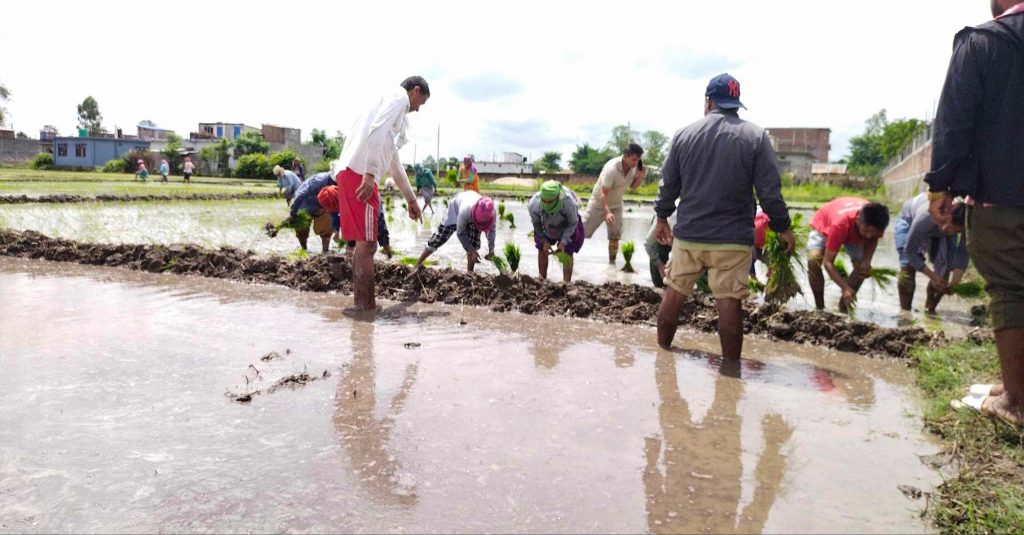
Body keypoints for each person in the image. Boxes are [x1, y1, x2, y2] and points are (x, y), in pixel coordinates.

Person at [925, 0, 1024, 426]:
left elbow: (954, 121)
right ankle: (1015, 382)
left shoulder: (984, 41)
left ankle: (1016, 402)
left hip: (1003, 194)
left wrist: (941, 185)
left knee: (1011, 291)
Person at [654, 73, 795, 358]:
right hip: (732, 239)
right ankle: (731, 373)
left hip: (689, 235)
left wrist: (661, 216)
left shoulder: (684, 135)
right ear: (736, 104)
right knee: (729, 302)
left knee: (675, 292)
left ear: (708, 102)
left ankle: (663, 356)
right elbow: (769, 192)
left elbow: (669, 184)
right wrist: (782, 227)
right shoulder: (755, 136)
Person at [332, 76, 426, 310]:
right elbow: (377, 131)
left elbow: (392, 160)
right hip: (360, 173)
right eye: (420, 103)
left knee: (364, 244)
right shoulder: (398, 98)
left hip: (351, 170)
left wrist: (411, 199)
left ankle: (362, 305)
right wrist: (370, 174)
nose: (416, 110)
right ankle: (366, 308)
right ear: (415, 91)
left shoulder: (384, 103)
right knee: (368, 245)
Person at [806, 197, 890, 312]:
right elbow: (827, 262)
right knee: (813, 261)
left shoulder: (876, 221)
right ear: (858, 219)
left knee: (862, 269)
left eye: (873, 233)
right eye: (867, 230)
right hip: (826, 225)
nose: (869, 236)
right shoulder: (840, 224)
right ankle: (820, 308)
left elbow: (873, 239)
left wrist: (867, 260)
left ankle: (843, 309)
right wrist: (845, 287)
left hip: (855, 234)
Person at [894, 193, 968, 313]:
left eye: (952, 229)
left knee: (944, 271)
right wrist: (932, 276)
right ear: (947, 214)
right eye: (945, 223)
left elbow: (963, 251)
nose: (944, 228)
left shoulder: (968, 224)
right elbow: (910, 251)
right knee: (908, 267)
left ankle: (930, 311)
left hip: (938, 232)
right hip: (910, 222)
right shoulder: (926, 215)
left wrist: (955, 281)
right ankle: (905, 313)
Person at [582, 143, 646, 264]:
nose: (635, 162)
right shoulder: (611, 169)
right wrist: (607, 212)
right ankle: (566, 253)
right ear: (625, 156)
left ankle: (612, 264)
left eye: (638, 160)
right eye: (633, 159)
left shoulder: (635, 167)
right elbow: (603, 194)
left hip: (616, 204)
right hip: (599, 204)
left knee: (614, 236)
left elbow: (633, 187)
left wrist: (640, 177)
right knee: (582, 233)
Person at [413, 190, 496, 272]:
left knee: (474, 242)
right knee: (438, 239)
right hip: (454, 211)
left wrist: (491, 250)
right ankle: (417, 265)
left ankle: (470, 272)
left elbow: (491, 231)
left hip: (474, 211)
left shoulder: (490, 212)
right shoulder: (465, 210)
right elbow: (460, 233)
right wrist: (471, 250)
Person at [528, 180, 585, 282]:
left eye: (550, 201)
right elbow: (536, 224)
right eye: (544, 201)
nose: (547, 203)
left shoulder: (568, 202)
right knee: (542, 248)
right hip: (547, 223)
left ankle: (566, 283)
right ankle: (542, 280)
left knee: (568, 250)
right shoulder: (534, 204)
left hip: (566, 225)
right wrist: (544, 241)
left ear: (557, 198)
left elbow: (572, 223)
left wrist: (563, 242)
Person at [316, 185, 393, 257]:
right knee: (351, 235)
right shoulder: (331, 202)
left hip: (371, 202)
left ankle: (389, 255)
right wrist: (336, 231)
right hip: (355, 211)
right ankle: (349, 257)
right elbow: (335, 216)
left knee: (381, 232)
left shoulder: (351, 194)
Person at [287, 171, 338, 253]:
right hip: (305, 203)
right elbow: (301, 195)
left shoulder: (341, 185)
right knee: (301, 227)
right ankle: (304, 249)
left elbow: (338, 207)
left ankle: (325, 251)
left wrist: (337, 230)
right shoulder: (320, 181)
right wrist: (293, 213)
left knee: (326, 226)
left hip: (322, 206)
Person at [644, 211, 676, 288]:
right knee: (659, 282)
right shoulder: (658, 226)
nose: (671, 239)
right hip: (661, 227)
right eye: (671, 236)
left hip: (684, 239)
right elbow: (648, 245)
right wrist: (660, 266)